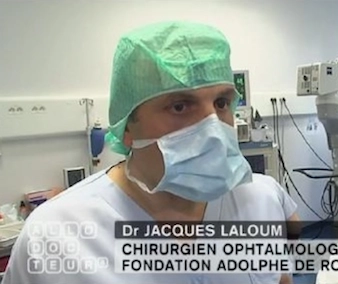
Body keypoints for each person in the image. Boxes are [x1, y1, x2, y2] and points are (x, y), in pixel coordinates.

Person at [2, 21, 300, 284]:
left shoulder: (260, 198)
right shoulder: (55, 234)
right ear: (128, 126)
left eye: (221, 103)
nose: (213, 128)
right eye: (180, 106)